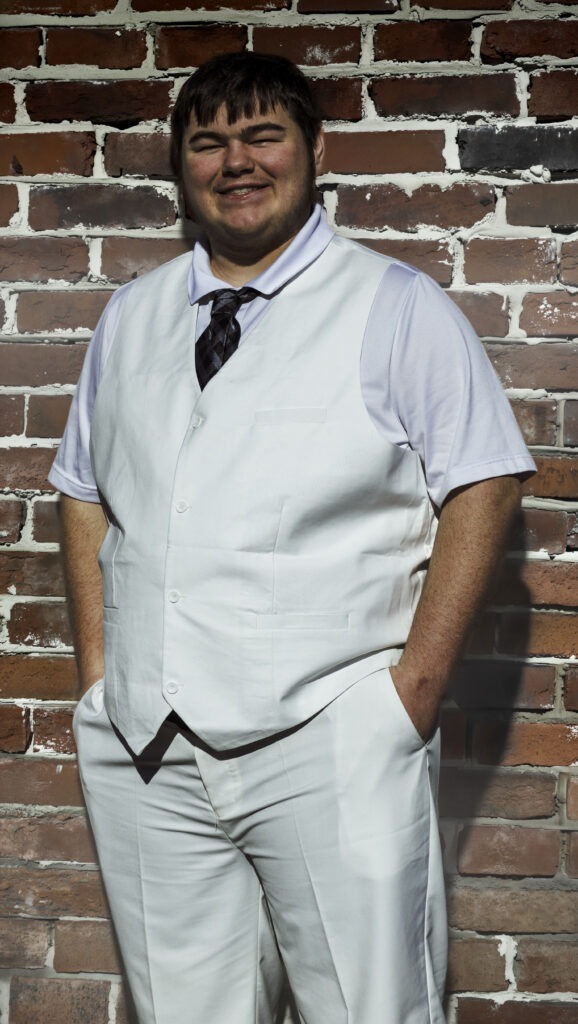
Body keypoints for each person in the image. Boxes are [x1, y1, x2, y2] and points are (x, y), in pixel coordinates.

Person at [50, 51, 535, 1024]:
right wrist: (102, 674)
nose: (236, 161)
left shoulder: (393, 305)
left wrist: (407, 698)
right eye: (208, 143)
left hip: (333, 741)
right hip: (150, 751)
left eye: (262, 135)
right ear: (181, 167)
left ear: (314, 149)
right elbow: (83, 488)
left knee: (368, 1008)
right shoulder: (132, 315)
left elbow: (483, 480)